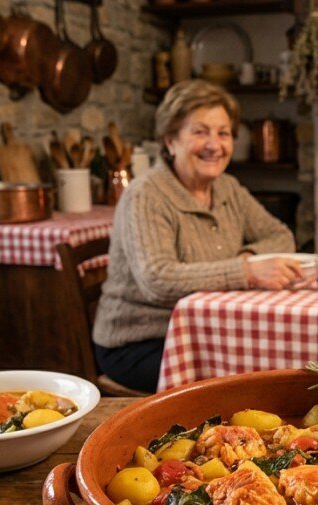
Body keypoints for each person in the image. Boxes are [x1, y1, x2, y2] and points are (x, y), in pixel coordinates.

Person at [93, 80, 301, 392]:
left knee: (281, 363)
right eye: (200, 131)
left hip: (206, 332)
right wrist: (245, 272)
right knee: (248, 381)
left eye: (224, 133)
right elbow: (157, 279)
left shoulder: (227, 187)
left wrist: (246, 259)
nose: (214, 145)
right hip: (139, 342)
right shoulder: (146, 195)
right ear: (171, 140)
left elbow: (281, 236)